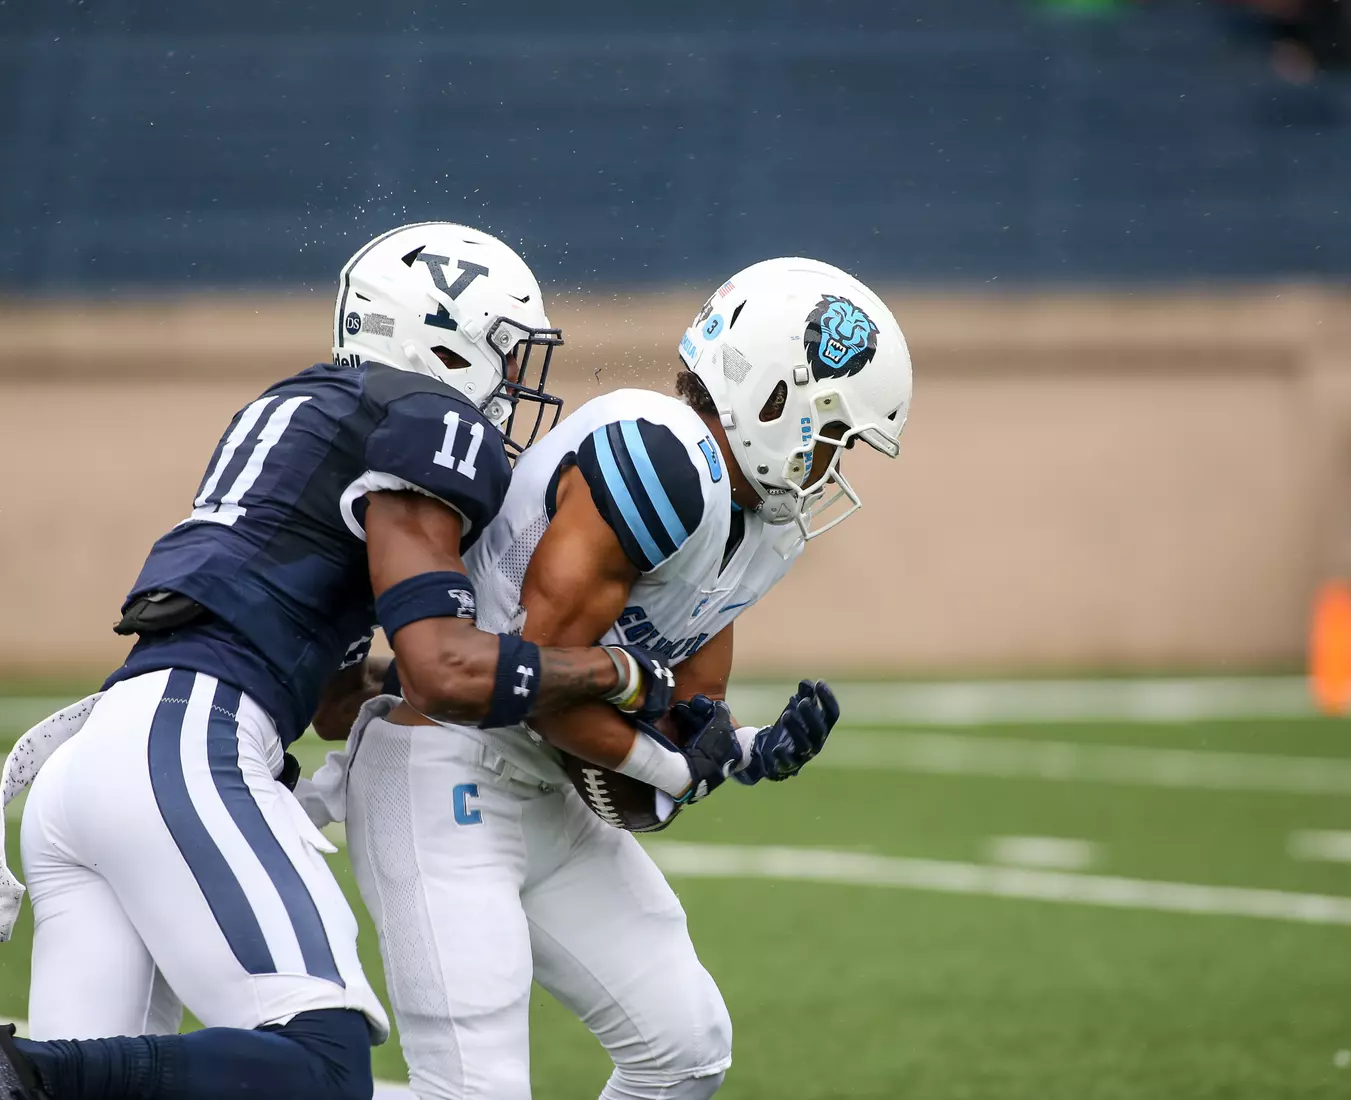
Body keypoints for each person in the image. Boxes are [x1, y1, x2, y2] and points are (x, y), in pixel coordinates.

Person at [0, 222, 679, 1100]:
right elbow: (449, 669)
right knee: (322, 1067)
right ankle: (37, 1072)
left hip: (101, 759)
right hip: (186, 748)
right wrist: (619, 675)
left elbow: (327, 694)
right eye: (504, 354)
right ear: (440, 338)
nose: (514, 386)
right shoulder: (428, 416)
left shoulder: (304, 403)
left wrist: (381, 677)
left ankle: (41, 1078)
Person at [320, 257, 913, 1100]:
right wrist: (678, 764)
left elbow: (650, 758)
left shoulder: (753, 527)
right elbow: (535, 690)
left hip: (542, 791)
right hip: (445, 762)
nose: (833, 463)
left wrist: (732, 750)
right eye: (832, 431)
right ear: (775, 400)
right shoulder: (664, 460)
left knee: (686, 1048)